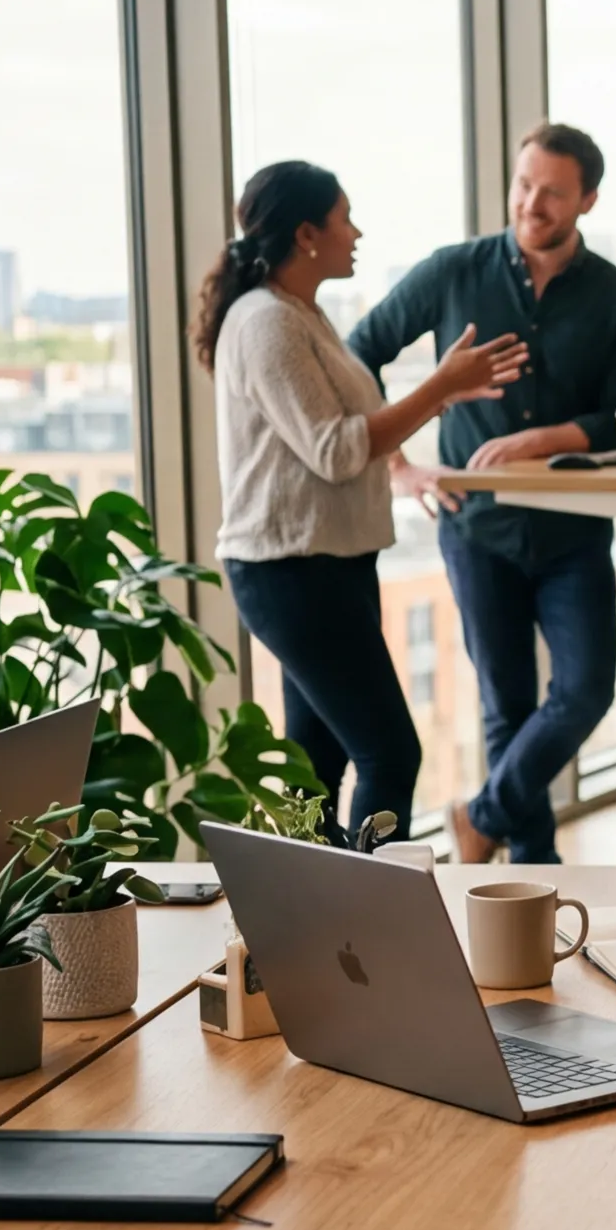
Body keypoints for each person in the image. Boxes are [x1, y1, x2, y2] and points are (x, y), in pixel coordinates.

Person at [348, 121, 616, 867]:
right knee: (506, 710)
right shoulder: (453, 272)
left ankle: (479, 818)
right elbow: (356, 357)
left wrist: (540, 440)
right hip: (476, 528)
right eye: (524, 185)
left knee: (583, 692)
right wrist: (400, 466)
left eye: (552, 192)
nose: (531, 203)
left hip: (573, 529)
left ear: (588, 200)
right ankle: (532, 884)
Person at [204, 161, 526, 839]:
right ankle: (373, 926)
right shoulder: (267, 323)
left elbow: (351, 430)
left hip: (331, 565)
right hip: (291, 571)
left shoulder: (301, 314)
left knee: (315, 767)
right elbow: (336, 449)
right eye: (344, 217)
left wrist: (443, 393)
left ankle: (317, 928)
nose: (357, 232)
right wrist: (438, 388)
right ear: (306, 233)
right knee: (389, 752)